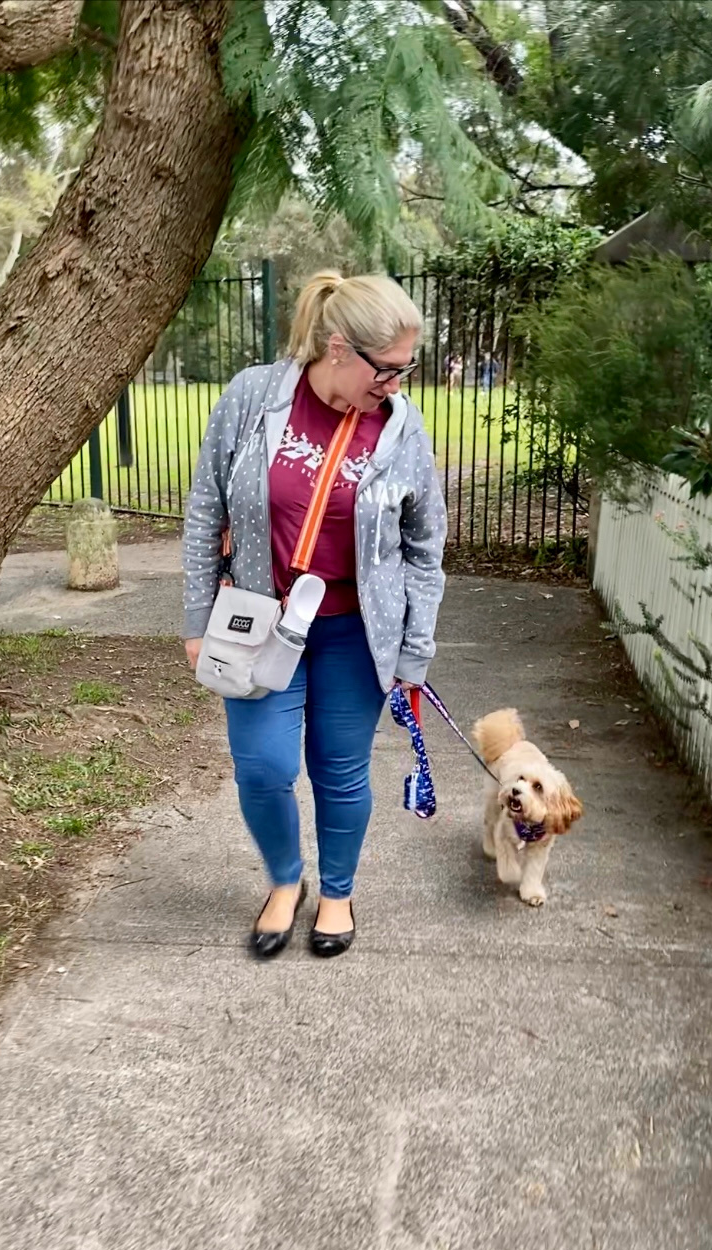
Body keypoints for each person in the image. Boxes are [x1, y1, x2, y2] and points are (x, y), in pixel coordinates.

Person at [182, 272, 447, 960]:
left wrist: (413, 652)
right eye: (387, 369)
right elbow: (205, 509)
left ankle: (336, 891)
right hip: (258, 621)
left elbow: (425, 546)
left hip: (354, 633)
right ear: (338, 348)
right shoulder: (254, 398)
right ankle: (284, 880)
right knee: (264, 768)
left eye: (405, 369)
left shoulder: (401, 427)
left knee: (340, 768)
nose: (396, 383)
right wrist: (193, 618)